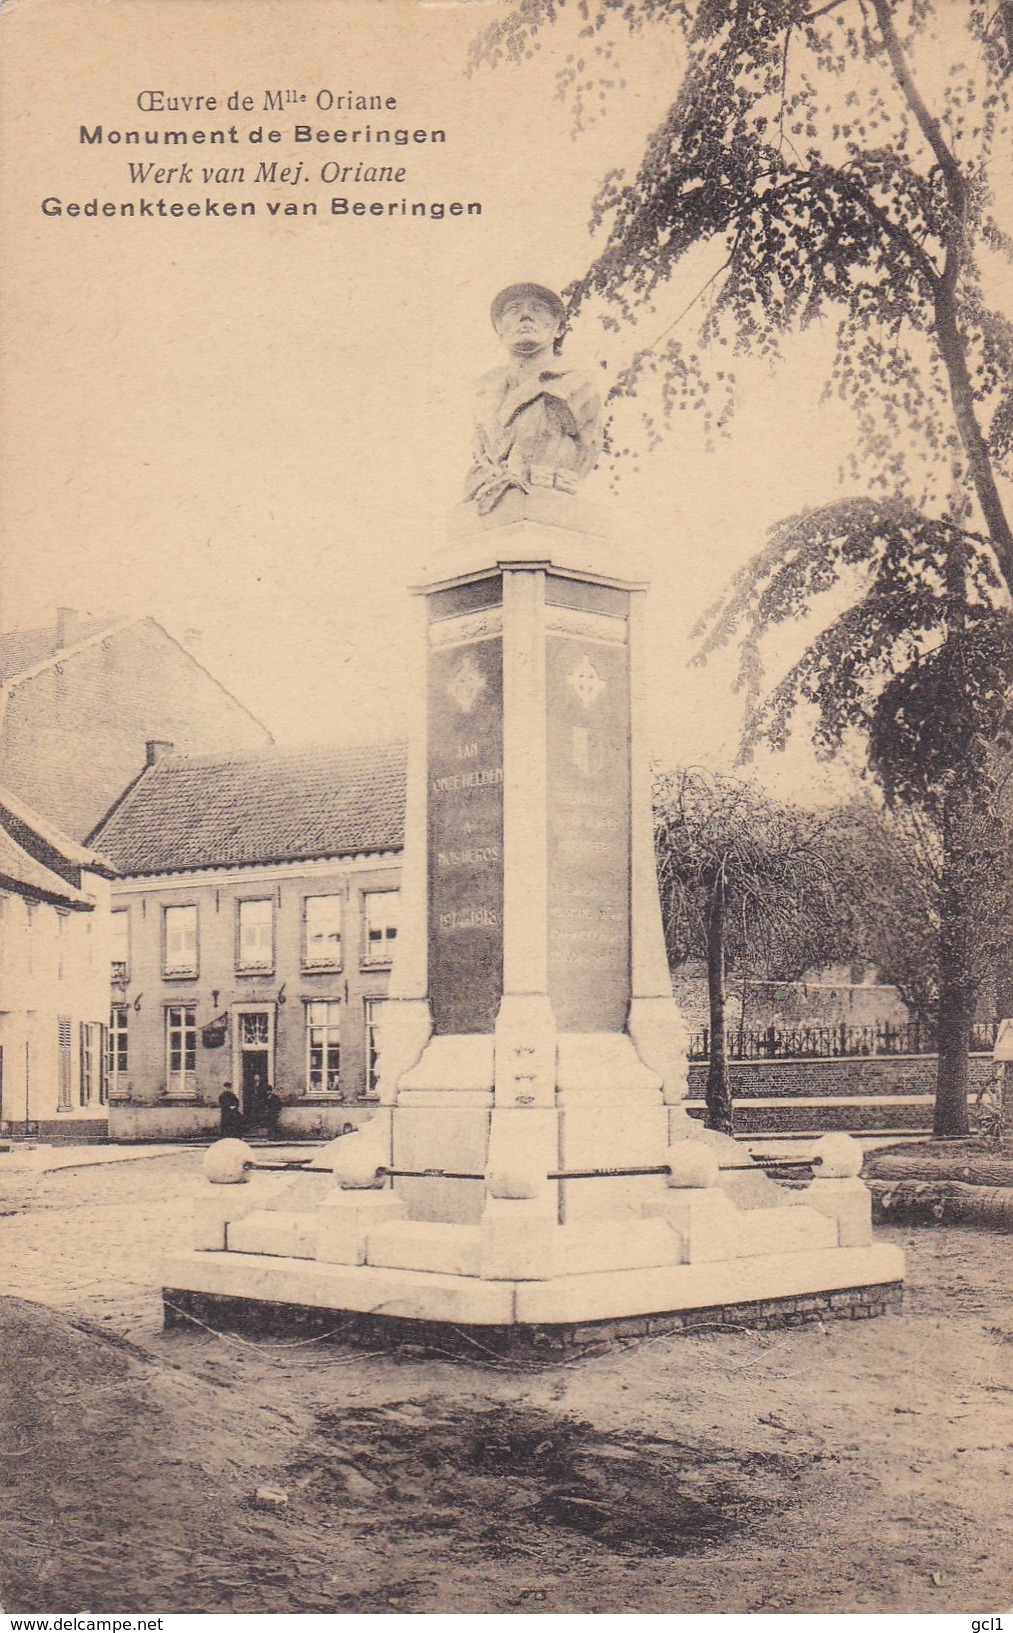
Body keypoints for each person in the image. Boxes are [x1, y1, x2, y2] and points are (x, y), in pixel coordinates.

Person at [465, 283, 602, 515]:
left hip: (547, 498)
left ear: (558, 329)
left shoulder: (575, 385)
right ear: (499, 328)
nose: (525, 315)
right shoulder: (485, 391)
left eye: (539, 309)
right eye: (513, 308)